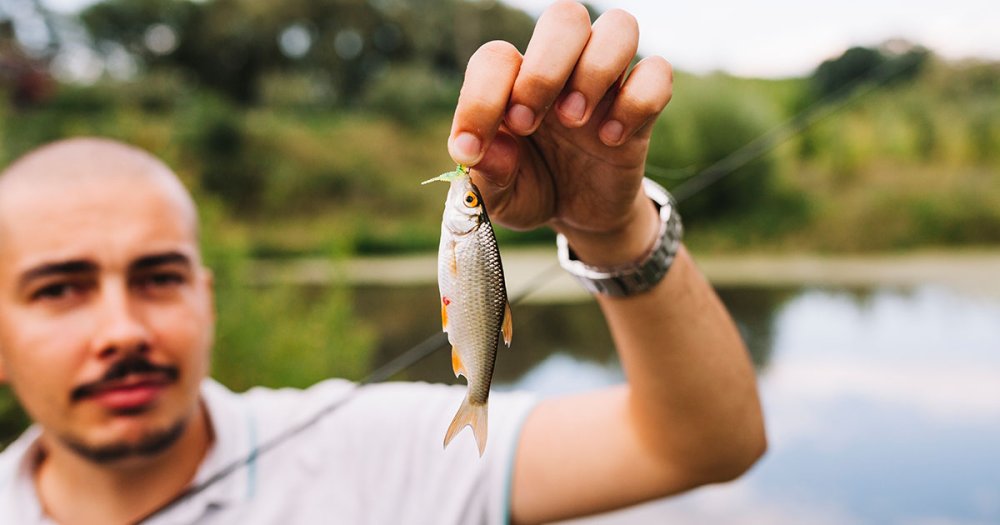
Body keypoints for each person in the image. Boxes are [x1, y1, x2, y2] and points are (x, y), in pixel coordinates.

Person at [0, 2, 765, 524]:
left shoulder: (371, 452)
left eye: (159, 277)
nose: (122, 328)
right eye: (59, 288)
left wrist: (614, 231)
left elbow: (705, 444)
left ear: (206, 296)